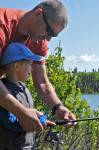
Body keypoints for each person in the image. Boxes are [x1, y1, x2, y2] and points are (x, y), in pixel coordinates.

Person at [0, 0, 76, 132]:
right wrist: (22, 112)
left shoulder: (38, 42)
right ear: (38, 13)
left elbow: (41, 81)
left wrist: (57, 107)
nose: (48, 39)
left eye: (53, 35)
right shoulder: (3, 25)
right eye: (48, 31)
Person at [0, 42, 56, 150]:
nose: (32, 69)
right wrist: (34, 121)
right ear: (16, 66)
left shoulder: (25, 89)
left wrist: (42, 119)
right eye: (29, 64)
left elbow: (31, 112)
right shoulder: (4, 92)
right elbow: (9, 120)